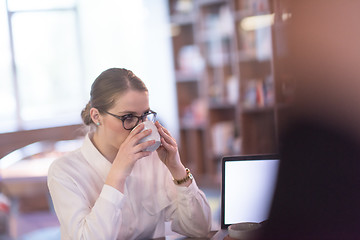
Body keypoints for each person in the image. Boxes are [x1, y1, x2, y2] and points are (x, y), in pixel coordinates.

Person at [47, 68, 212, 239]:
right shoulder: (64, 172)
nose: (140, 127)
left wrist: (176, 167)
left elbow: (200, 229)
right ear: (96, 116)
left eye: (145, 116)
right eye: (128, 117)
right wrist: (117, 174)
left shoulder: (153, 159)